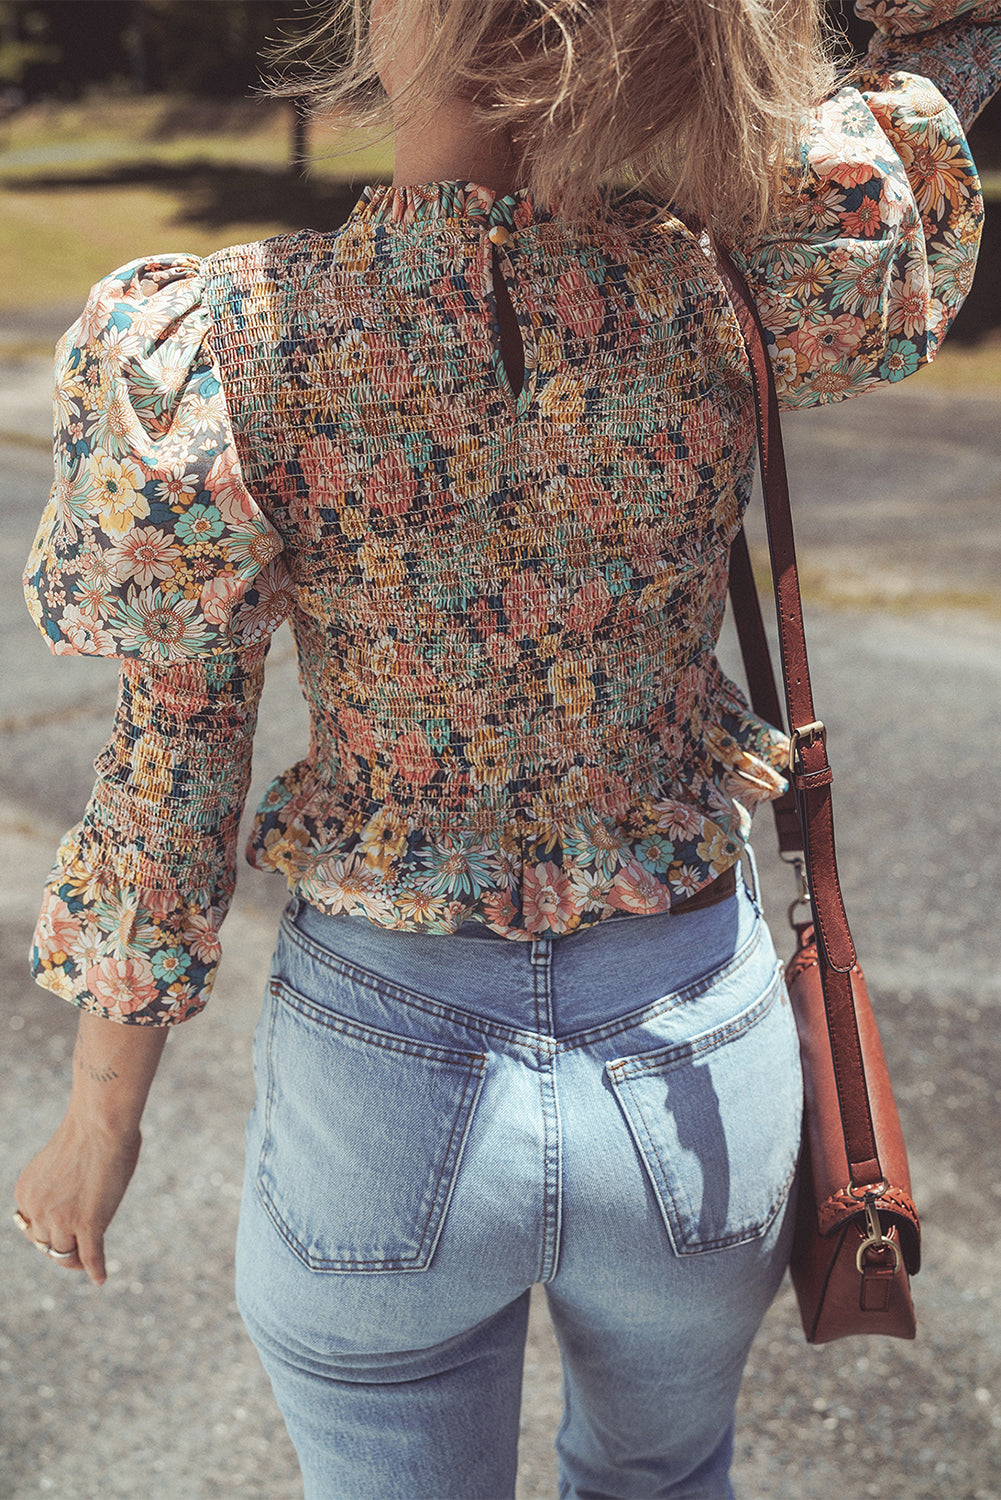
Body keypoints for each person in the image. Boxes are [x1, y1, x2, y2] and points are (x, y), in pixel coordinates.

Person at [13, 1, 1000, 1495]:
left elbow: (172, 774)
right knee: (667, 1477)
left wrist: (99, 1120)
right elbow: (952, 44)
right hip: (691, 1057)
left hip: (387, 1076)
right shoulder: (740, 283)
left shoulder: (232, 341)